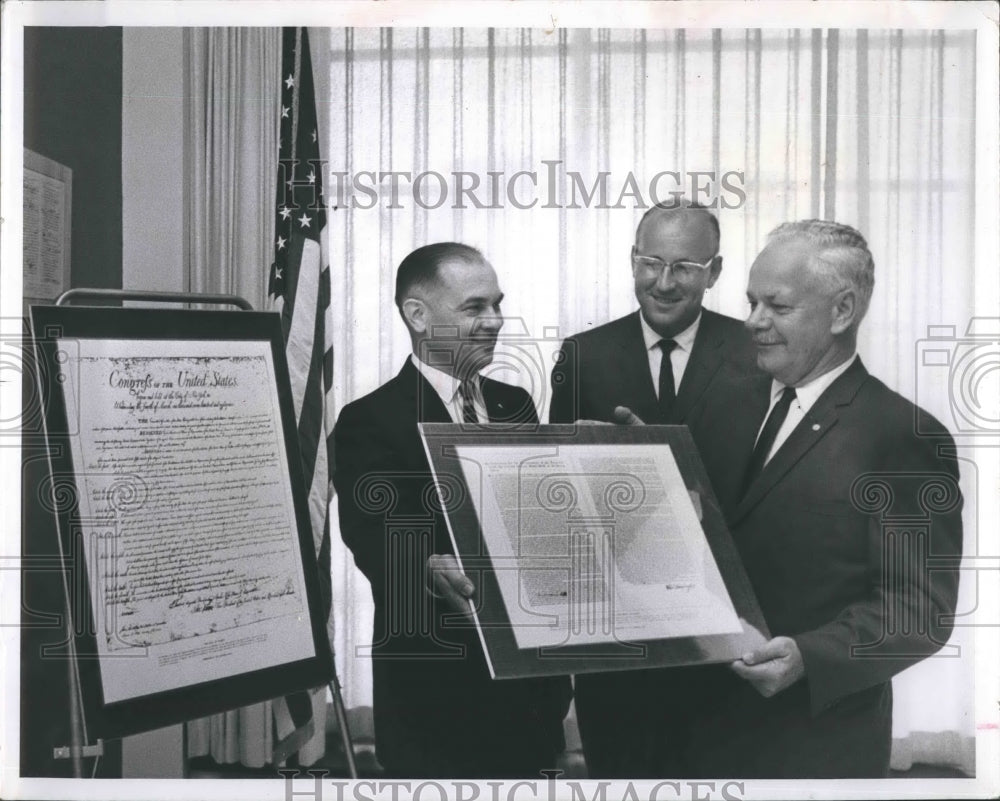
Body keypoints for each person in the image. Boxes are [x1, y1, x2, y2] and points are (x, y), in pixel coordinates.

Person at [669, 219, 964, 777]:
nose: (753, 323)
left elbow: (921, 610)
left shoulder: (902, 436)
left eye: (777, 307)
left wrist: (811, 658)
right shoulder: (722, 404)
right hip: (700, 734)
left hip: (814, 747)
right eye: (751, 302)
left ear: (842, 311)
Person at [333, 242, 572, 778]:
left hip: (532, 693)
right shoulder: (368, 420)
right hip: (436, 700)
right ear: (417, 315)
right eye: (474, 307)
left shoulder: (515, 404)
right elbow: (372, 533)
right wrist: (424, 565)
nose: (494, 321)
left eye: (497, 304)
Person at [549, 202, 761, 777]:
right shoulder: (581, 355)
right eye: (651, 263)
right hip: (619, 631)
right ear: (632, 261)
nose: (664, 283)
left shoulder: (759, 354)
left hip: (724, 628)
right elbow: (558, 490)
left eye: (685, 268)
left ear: (714, 272)